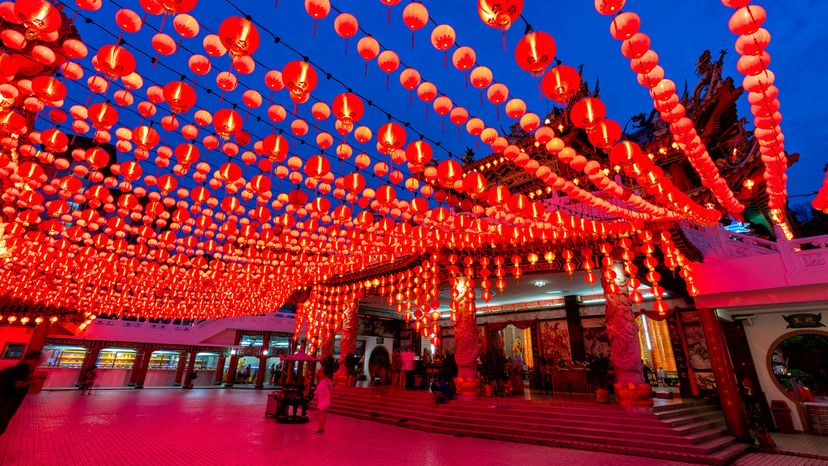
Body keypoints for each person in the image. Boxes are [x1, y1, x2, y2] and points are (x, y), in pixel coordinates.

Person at [0, 350, 43, 435]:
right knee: (2, 420)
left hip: (5, 398)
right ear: (35, 359)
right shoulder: (24, 368)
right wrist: (30, 382)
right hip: (10, 399)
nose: (39, 364)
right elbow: (16, 384)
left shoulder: (20, 367)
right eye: (39, 361)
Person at [314, 368, 333, 433]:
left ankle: (320, 428)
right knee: (323, 414)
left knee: (321, 414)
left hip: (323, 399)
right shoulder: (327, 381)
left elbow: (317, 391)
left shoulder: (323, 382)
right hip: (326, 399)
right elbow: (331, 386)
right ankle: (322, 428)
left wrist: (314, 393)